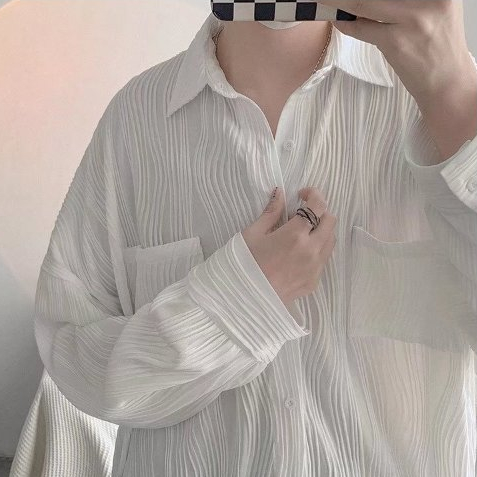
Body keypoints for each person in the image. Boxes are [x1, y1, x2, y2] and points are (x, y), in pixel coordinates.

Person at [34, 7, 477, 477]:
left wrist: (455, 98)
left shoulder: (442, 100)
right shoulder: (136, 119)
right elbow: (77, 365)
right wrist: (241, 300)